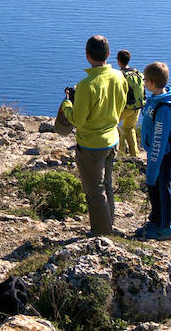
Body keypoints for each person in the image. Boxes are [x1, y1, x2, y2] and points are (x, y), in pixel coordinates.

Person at [61, 35, 128, 236]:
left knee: (95, 191)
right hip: (112, 139)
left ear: (87, 55)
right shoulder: (119, 77)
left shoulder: (86, 85)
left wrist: (67, 104)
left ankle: (101, 234)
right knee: (107, 185)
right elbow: (122, 106)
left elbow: (78, 120)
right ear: (108, 54)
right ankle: (109, 224)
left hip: (91, 145)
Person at [138, 62, 171, 240]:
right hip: (156, 153)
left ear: (151, 83)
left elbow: (159, 139)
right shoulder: (156, 100)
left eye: (145, 80)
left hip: (162, 155)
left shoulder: (164, 109)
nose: (143, 82)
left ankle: (165, 227)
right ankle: (155, 220)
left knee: (163, 189)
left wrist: (153, 164)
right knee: (155, 188)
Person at [117, 49, 147, 158]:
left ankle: (120, 152)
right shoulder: (138, 73)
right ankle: (135, 155)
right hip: (137, 107)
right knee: (129, 129)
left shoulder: (120, 75)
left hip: (124, 108)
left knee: (111, 125)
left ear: (118, 61)